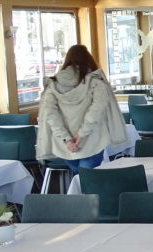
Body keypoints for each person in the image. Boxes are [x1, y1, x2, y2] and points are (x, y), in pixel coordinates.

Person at [36, 44, 127, 174]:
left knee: (79, 177)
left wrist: (67, 139)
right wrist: (81, 135)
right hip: (92, 141)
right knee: (87, 180)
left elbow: (51, 115)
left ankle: (80, 192)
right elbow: (96, 112)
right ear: (88, 58)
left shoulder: (53, 84)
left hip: (64, 146)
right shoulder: (96, 82)